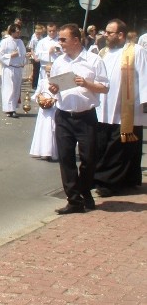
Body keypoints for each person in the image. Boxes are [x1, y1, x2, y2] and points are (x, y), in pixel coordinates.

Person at [48, 23, 109, 214]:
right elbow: (52, 85)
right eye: (59, 39)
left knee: (89, 158)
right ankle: (74, 200)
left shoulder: (93, 60)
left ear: (76, 40)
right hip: (64, 115)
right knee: (66, 158)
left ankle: (84, 190)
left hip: (86, 117)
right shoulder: (59, 61)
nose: (60, 43)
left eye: (63, 39)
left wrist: (87, 83)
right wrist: (52, 89)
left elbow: (105, 87)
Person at [94, 19, 146, 197]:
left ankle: (107, 182)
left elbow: (145, 75)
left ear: (121, 35)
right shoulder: (104, 52)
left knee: (119, 148)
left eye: (109, 33)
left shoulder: (136, 51)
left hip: (127, 109)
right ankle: (128, 179)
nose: (105, 35)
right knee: (107, 144)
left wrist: (145, 101)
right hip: (104, 107)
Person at [0, 24, 26, 118]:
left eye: (19, 31)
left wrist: (24, 60)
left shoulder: (20, 42)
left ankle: (13, 107)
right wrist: (10, 56)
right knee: (9, 88)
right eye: (17, 31)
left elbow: (23, 54)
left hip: (18, 68)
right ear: (12, 31)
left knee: (16, 89)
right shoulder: (5, 41)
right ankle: (9, 109)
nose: (18, 32)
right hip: (9, 67)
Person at [30, 74, 58, 161]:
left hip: (53, 109)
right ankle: (41, 150)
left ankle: (50, 152)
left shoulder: (58, 82)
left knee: (51, 130)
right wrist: (40, 98)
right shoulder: (43, 82)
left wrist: (53, 100)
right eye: (47, 71)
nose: (49, 73)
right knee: (42, 129)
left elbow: (60, 95)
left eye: (50, 71)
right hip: (43, 111)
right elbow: (36, 94)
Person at [27, 24, 46, 90]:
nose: (38, 34)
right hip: (35, 56)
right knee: (35, 70)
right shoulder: (34, 39)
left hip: (41, 56)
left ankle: (39, 83)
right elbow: (31, 49)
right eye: (37, 33)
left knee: (41, 70)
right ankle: (34, 84)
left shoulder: (42, 38)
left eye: (40, 33)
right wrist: (35, 57)